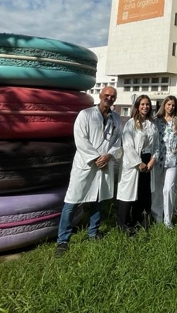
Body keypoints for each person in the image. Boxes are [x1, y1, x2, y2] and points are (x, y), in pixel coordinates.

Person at [55, 86, 123, 257]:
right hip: (86, 165)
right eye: (106, 95)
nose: (109, 98)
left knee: (98, 199)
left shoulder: (116, 118)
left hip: (104, 164)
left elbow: (118, 141)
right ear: (100, 95)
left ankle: (93, 233)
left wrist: (108, 156)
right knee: (72, 202)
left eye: (112, 96)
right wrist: (95, 158)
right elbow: (80, 139)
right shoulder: (85, 115)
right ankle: (63, 240)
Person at [116, 95, 159, 234]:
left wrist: (153, 160)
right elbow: (127, 145)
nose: (145, 107)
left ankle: (140, 223)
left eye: (147, 104)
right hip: (133, 162)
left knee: (143, 194)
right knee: (128, 195)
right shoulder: (130, 123)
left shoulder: (152, 124)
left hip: (148, 161)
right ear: (137, 106)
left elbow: (157, 145)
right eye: (142, 104)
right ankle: (123, 225)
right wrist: (138, 162)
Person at [154, 95, 177, 229]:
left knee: (168, 189)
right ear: (164, 105)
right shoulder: (156, 121)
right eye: (168, 104)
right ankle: (157, 217)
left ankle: (168, 219)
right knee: (157, 189)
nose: (171, 107)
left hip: (172, 160)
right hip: (157, 160)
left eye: (173, 105)